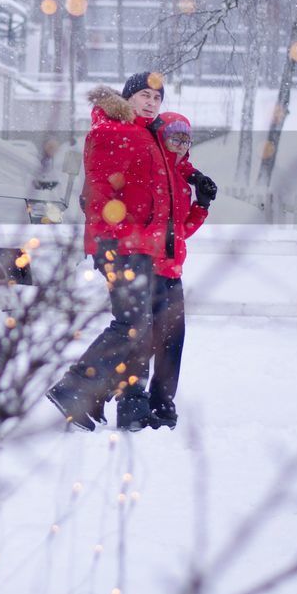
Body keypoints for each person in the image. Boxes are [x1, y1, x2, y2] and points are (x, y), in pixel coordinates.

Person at [48, 72, 173, 432]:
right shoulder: (113, 132)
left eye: (157, 98)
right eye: (145, 95)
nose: (151, 102)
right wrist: (116, 238)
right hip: (119, 244)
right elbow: (100, 193)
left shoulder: (139, 133)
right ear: (128, 97)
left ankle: (115, 400)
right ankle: (75, 388)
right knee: (131, 324)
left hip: (136, 244)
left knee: (140, 325)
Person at [144, 112, 215, 430]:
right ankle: (130, 399)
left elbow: (182, 231)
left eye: (186, 139)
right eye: (175, 137)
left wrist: (201, 205)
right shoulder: (153, 173)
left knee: (173, 341)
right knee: (142, 341)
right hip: (145, 269)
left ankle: (162, 403)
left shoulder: (182, 182)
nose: (181, 144)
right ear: (161, 137)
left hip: (172, 272)